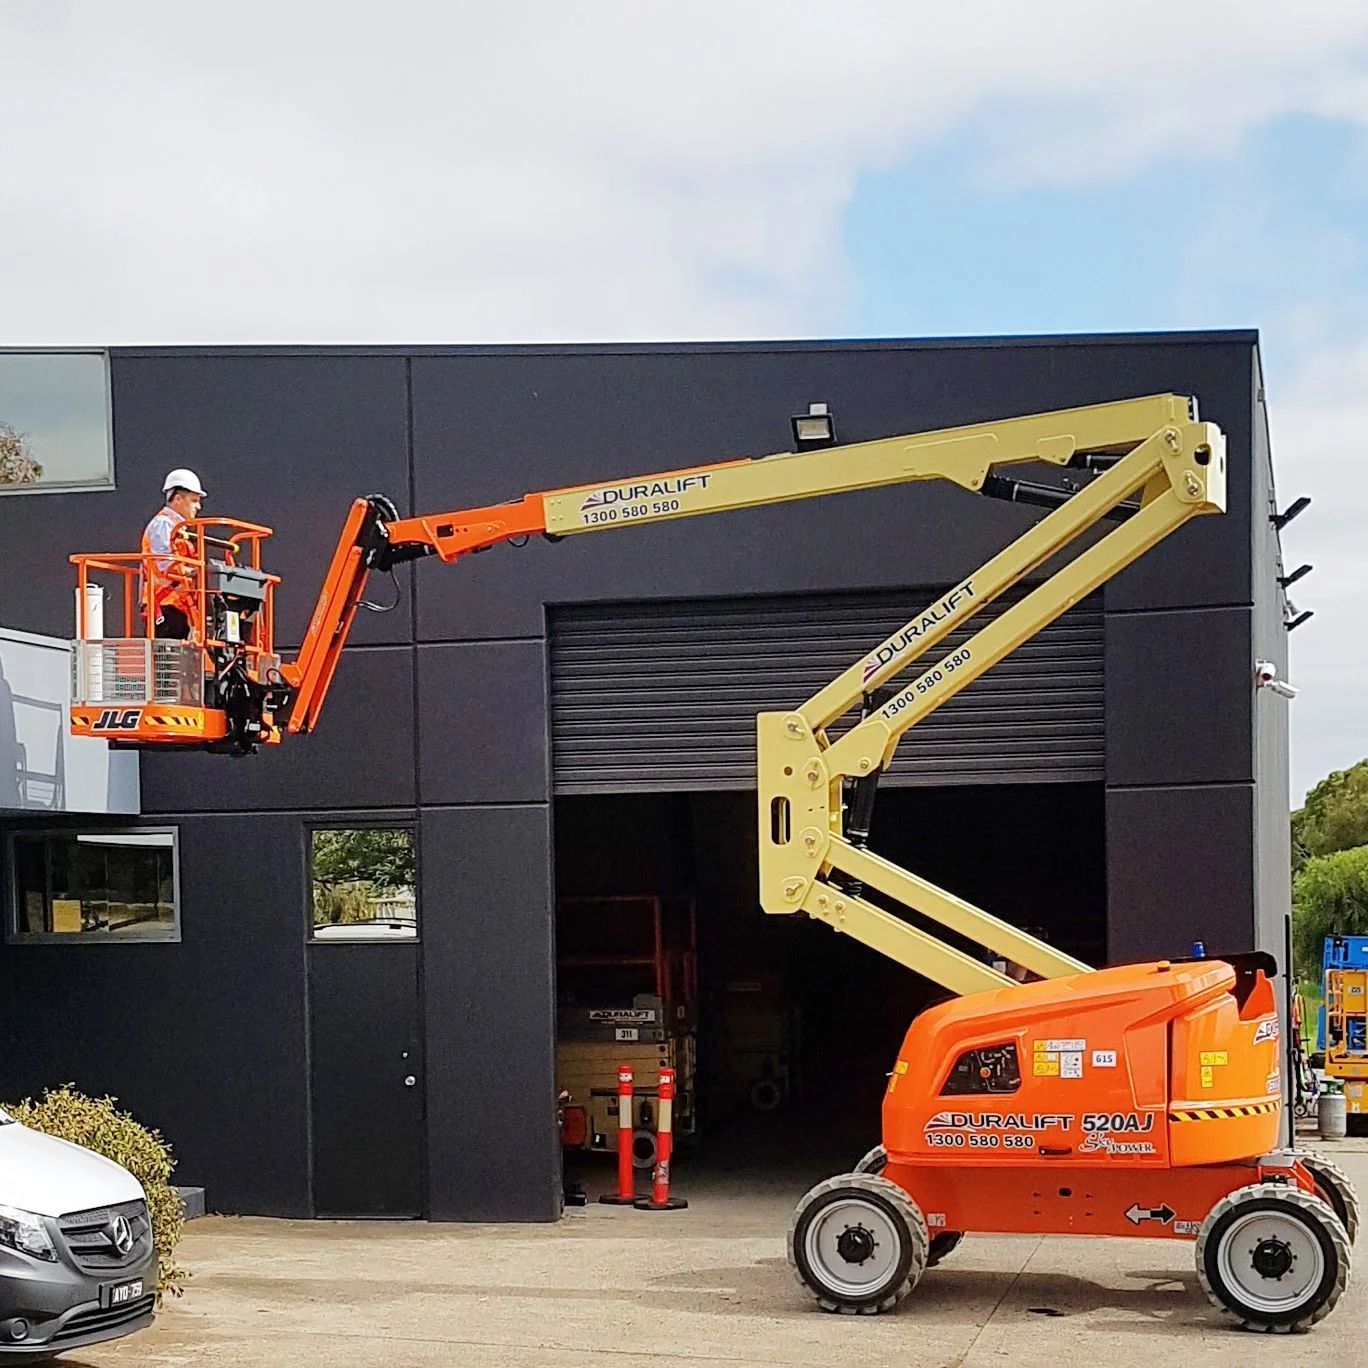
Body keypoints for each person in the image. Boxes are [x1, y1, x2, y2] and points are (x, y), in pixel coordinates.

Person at [142, 469, 206, 639]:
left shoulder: (178, 529)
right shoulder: (163, 524)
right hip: (165, 604)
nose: (198, 507)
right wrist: (196, 573)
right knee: (168, 660)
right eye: (194, 501)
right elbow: (166, 566)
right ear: (178, 498)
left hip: (177, 603)